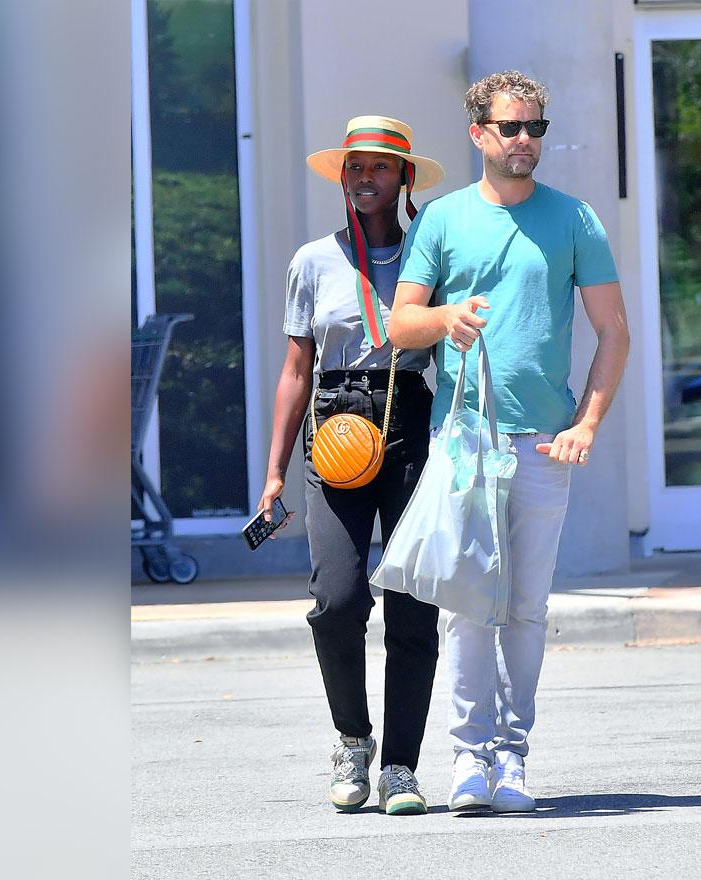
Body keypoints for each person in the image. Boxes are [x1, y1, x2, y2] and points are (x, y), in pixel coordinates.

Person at [388, 71, 630, 813]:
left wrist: (586, 424)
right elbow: (400, 325)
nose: (525, 142)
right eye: (511, 128)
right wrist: (446, 317)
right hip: (462, 440)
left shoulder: (575, 219)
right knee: (467, 605)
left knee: (524, 607)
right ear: (478, 134)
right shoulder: (444, 220)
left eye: (534, 129)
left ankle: (512, 758)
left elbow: (613, 332)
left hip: (542, 443)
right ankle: (467, 760)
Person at [258, 116, 446, 816]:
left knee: (412, 605)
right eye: (354, 167)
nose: (365, 178)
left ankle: (401, 765)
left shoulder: (433, 258)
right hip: (333, 431)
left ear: (403, 180)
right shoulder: (313, 261)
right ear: (343, 178)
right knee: (337, 600)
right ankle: (352, 739)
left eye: (380, 167)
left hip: (410, 428)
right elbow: (295, 370)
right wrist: (275, 472)